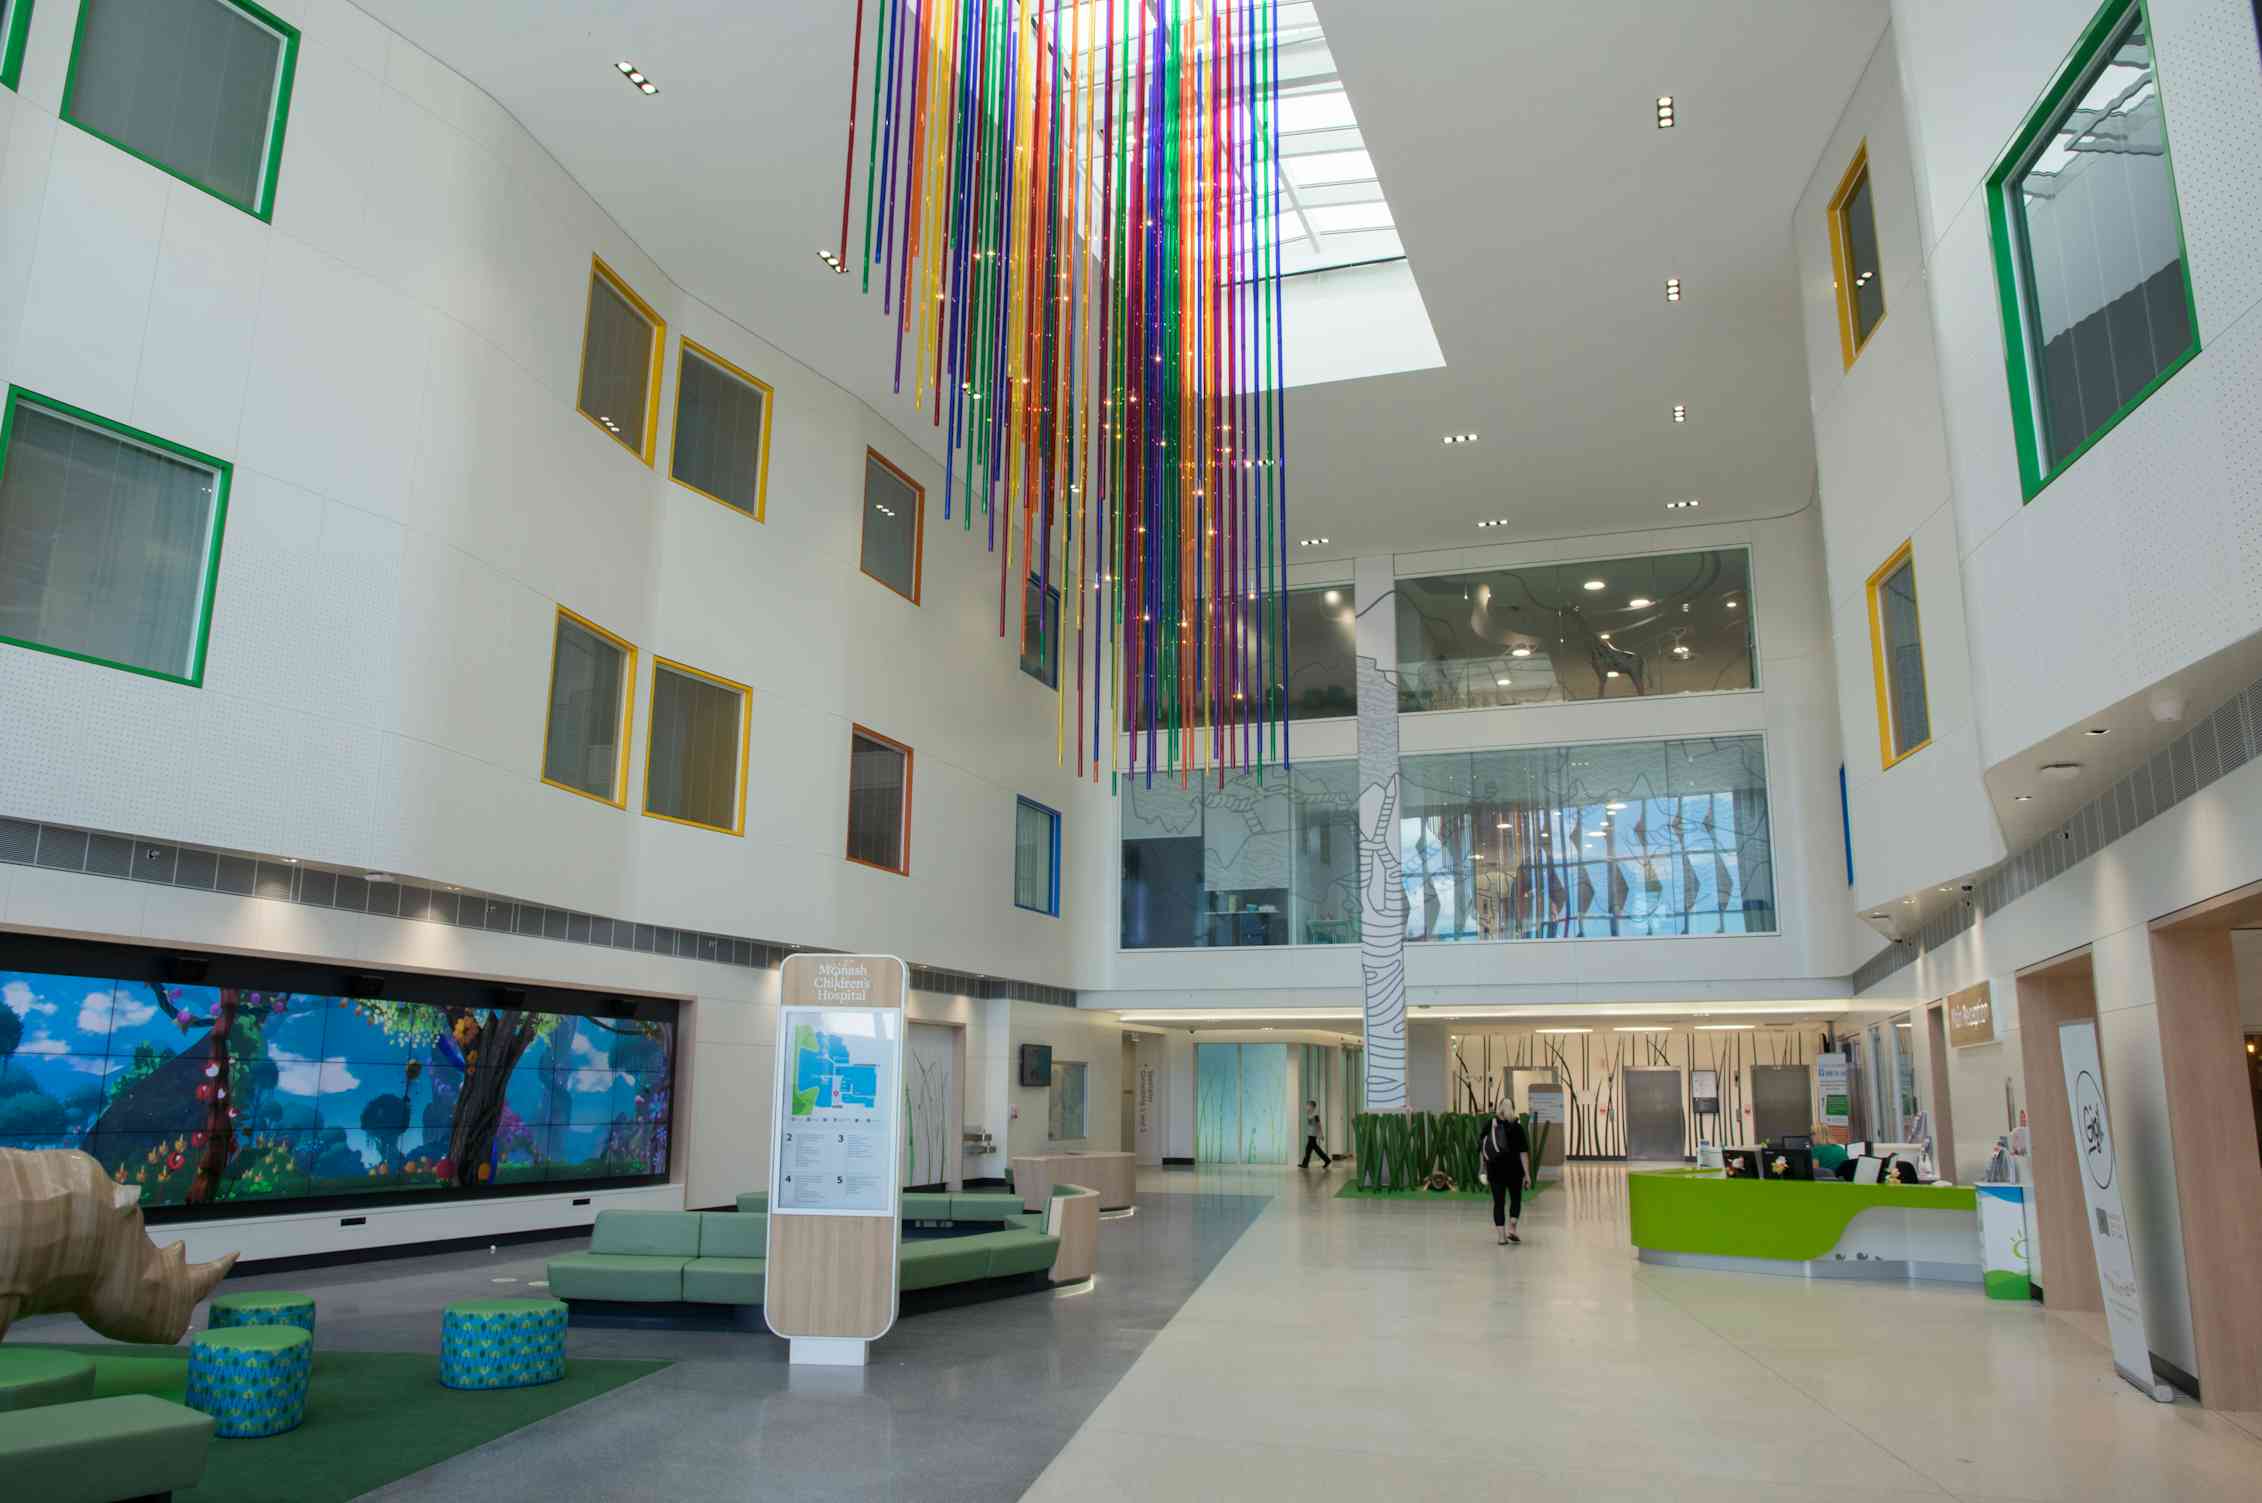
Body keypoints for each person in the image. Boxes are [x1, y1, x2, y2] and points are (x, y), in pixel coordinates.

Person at [1479, 1106, 1530, 1245]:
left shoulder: (1489, 1125)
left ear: (1499, 1110)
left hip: (1495, 1171)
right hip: (1514, 1171)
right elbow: (1523, 1153)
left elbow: (1482, 1150)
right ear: (1512, 1110)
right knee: (1515, 1199)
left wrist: (1483, 1169)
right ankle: (1512, 1228)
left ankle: (1501, 1238)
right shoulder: (1517, 1128)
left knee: (1498, 1204)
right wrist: (1527, 1175)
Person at [1299, 1100, 1333, 1169]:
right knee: (1308, 1149)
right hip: (1310, 1134)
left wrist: (1321, 1134)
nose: (1307, 1106)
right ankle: (1305, 1164)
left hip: (1313, 1135)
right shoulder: (1309, 1114)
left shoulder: (1315, 1115)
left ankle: (1327, 1160)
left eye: (1308, 1105)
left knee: (1315, 1149)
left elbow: (1318, 1125)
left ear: (1312, 1106)